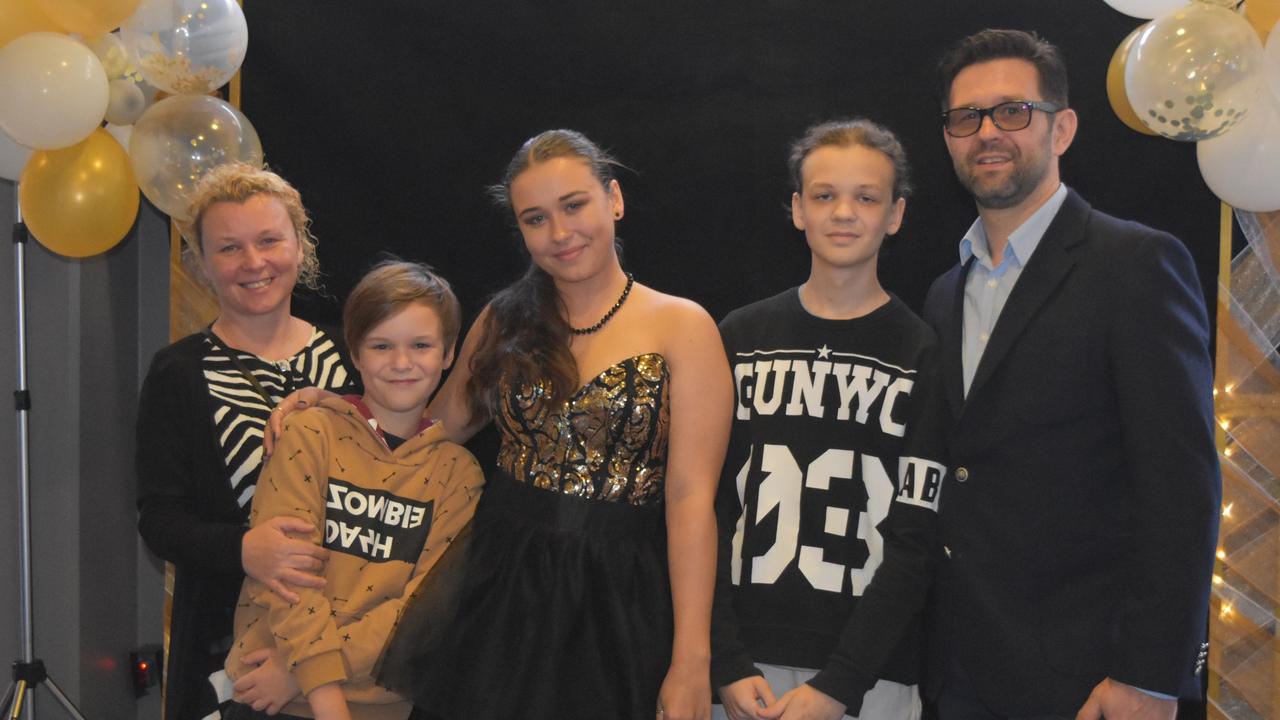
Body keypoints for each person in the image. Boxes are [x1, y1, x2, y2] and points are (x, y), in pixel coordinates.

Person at [367, 129, 732, 720]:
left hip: (618, 602)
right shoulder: (504, 319)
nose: (560, 233)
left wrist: (692, 661)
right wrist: (335, 413)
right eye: (535, 219)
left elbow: (691, 499)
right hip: (500, 588)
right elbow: (431, 432)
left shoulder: (683, 327)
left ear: (614, 199)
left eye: (574, 205)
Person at [921, 29, 1220, 719]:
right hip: (961, 674)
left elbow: (1181, 489)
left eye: (1012, 111)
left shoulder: (1136, 265)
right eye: (966, 118)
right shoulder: (944, 291)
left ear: (1064, 129)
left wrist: (1150, 676)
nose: (987, 132)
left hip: (1092, 683)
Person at [710, 119, 944, 720]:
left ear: (895, 214)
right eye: (824, 195)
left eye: (866, 197)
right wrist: (723, 658)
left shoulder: (924, 353)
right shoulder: (740, 335)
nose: (844, 212)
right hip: (744, 665)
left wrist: (843, 682)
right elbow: (704, 508)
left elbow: (916, 539)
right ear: (797, 209)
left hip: (869, 675)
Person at [136, 162, 357, 720]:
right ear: (202, 264)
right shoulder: (177, 372)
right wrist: (244, 548)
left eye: (268, 240)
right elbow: (159, 520)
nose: (253, 262)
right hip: (226, 652)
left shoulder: (355, 358)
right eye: (229, 248)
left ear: (299, 246)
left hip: (349, 639)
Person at [221, 260, 484, 720]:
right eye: (381, 345)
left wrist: (305, 672)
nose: (402, 363)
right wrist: (324, 698)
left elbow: (420, 610)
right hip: (273, 700)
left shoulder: (459, 476)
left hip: (370, 703)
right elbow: (285, 577)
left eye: (420, 345)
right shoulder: (309, 433)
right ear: (355, 353)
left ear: (448, 353)